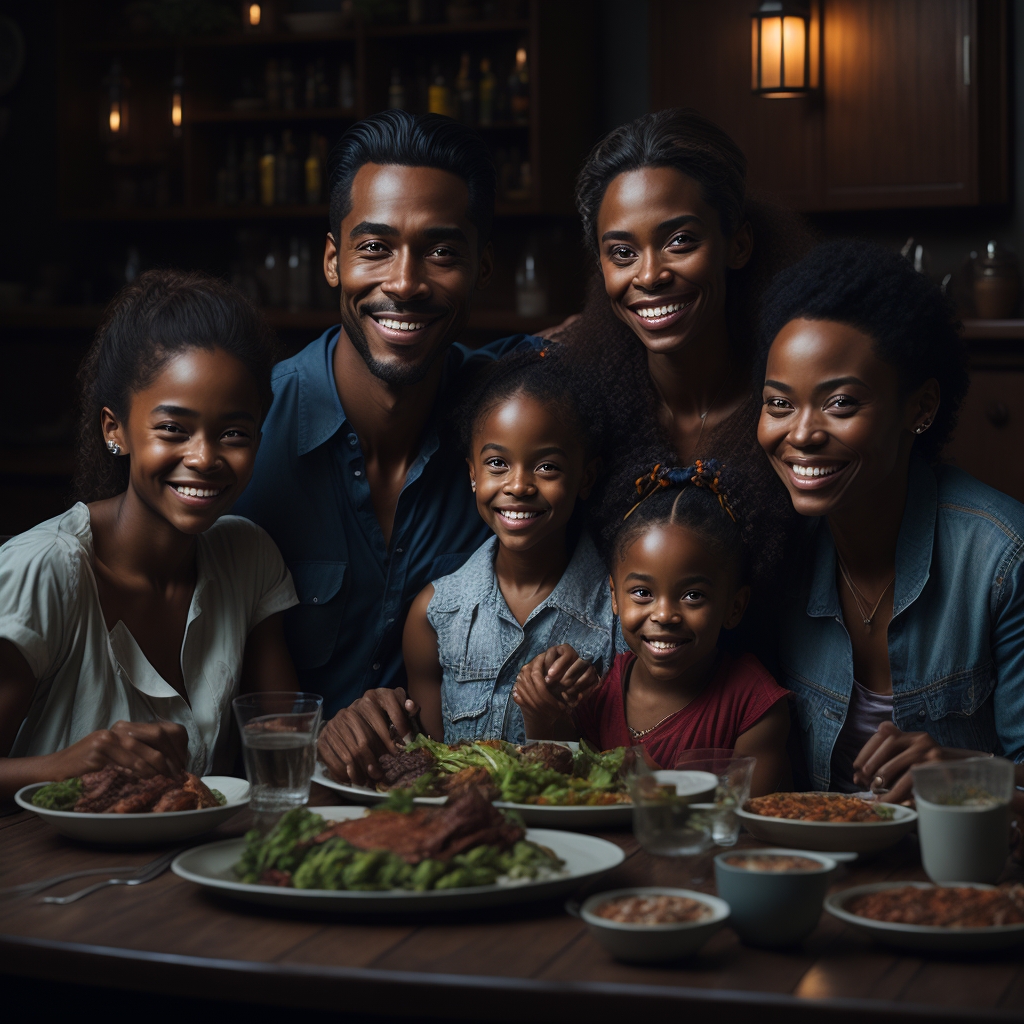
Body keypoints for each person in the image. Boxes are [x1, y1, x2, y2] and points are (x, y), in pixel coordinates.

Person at [232, 111, 541, 771]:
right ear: (332, 259)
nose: (404, 282)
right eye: (374, 247)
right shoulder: (245, 436)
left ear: (483, 266)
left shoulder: (515, 425)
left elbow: (615, 342)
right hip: (280, 810)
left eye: (442, 251)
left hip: (453, 810)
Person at [0, 271, 299, 800]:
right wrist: (65, 765)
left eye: (234, 432)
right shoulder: (42, 571)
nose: (204, 458)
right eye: (173, 429)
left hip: (185, 872)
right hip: (45, 877)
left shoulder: (249, 557)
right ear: (115, 429)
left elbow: (289, 751)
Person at [756, 239, 1024, 802]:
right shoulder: (774, 548)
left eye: (840, 404)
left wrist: (962, 772)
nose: (800, 435)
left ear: (920, 407)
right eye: (780, 404)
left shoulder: (1002, 558)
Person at [560, 109, 809, 597]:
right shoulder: (577, 410)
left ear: (736, 244)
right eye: (622, 253)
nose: (649, 275)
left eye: (679, 241)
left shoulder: (795, 409)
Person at [385, 346, 613, 762]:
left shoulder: (618, 613)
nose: (519, 485)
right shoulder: (433, 616)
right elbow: (437, 767)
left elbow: (622, 763)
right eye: (497, 463)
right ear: (472, 472)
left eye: (547, 467)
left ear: (586, 476)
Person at [513, 460, 792, 798]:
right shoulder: (598, 693)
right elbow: (561, 795)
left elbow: (745, 824)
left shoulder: (754, 705)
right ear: (614, 597)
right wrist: (540, 714)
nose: (664, 615)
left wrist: (654, 780)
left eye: (693, 595)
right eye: (643, 593)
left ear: (734, 607)